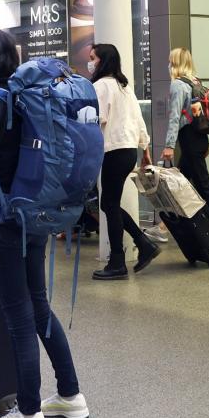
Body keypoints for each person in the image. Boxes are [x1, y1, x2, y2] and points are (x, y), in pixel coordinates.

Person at [0, 29, 88, 418]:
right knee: (39, 308)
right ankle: (70, 394)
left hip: (3, 220)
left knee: (18, 317)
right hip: (36, 214)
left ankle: (29, 412)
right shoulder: (27, 99)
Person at [88, 43, 160, 280]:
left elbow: (97, 120)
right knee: (109, 204)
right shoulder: (124, 86)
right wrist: (145, 149)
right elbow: (139, 121)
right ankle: (142, 245)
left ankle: (118, 262)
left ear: (103, 61)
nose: (90, 63)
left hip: (113, 150)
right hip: (128, 151)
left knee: (109, 204)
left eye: (93, 58)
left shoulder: (100, 86)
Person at [161, 47, 209, 221]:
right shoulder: (196, 82)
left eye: (170, 61)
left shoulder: (178, 85)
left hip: (189, 140)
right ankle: (166, 226)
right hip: (200, 139)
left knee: (203, 185)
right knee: (180, 184)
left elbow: (174, 117)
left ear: (175, 63)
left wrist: (169, 146)